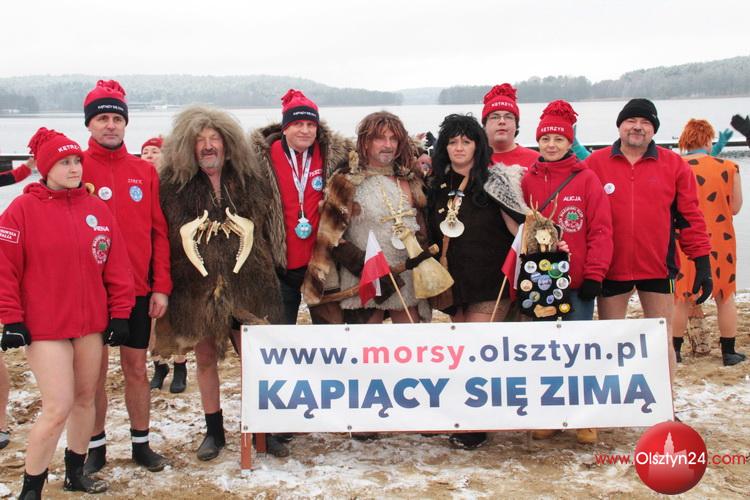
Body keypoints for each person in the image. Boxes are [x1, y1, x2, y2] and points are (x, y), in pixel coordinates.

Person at [0, 128, 135, 498]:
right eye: (64, 162)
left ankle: (76, 473)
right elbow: (5, 269)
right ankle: (32, 487)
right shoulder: (21, 211)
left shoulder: (97, 210)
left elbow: (117, 267)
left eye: (77, 161)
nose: (75, 168)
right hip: (45, 328)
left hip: (90, 325)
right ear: (46, 168)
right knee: (58, 405)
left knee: (85, 399)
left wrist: (120, 314)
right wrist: (11, 318)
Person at [155, 106, 286, 459]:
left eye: (214, 138)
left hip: (248, 285)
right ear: (188, 146)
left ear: (228, 144)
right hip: (196, 287)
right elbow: (164, 236)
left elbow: (265, 229)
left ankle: (262, 430)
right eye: (200, 140)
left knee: (255, 361)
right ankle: (214, 432)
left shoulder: (249, 180)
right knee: (205, 359)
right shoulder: (172, 187)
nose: (208, 146)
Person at [80, 80, 172, 474]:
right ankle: (95, 447)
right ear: (89, 124)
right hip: (90, 293)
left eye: (117, 119)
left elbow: (159, 233)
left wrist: (161, 287)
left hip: (136, 290)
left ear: (125, 124)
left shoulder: (143, 171)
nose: (110, 125)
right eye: (102, 118)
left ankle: (141, 444)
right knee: (93, 376)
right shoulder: (75, 168)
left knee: (136, 369)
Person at [584, 98, 712, 378]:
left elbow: (690, 216)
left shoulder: (674, 164)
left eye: (645, 122)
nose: (638, 127)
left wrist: (702, 261)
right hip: (610, 267)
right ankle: (613, 395)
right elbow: (582, 215)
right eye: (631, 121)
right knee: (610, 338)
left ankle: (666, 399)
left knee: (661, 339)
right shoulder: (595, 163)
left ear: (654, 129)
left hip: (658, 266)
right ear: (620, 126)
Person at [425, 114, 523, 449]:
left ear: (477, 146)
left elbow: (520, 227)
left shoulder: (496, 181)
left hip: (491, 281)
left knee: (477, 350)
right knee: (461, 352)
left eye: (466, 142)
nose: (459, 148)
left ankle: (476, 424)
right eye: (453, 142)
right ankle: (464, 413)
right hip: (455, 282)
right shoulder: (437, 185)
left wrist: (545, 241)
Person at [521, 100, 614, 444]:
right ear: (538, 141)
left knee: (578, 350)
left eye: (559, 139)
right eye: (545, 139)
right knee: (546, 352)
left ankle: (585, 417)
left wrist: (595, 275)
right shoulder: (528, 180)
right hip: (540, 281)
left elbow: (601, 230)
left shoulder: (586, 178)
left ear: (569, 141)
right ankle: (550, 413)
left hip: (575, 283)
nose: (551, 145)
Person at [303, 111, 432, 325]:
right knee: (367, 343)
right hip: (363, 276)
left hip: (407, 276)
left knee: (410, 340)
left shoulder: (410, 178)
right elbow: (330, 237)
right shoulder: (346, 181)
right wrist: (363, 266)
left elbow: (422, 228)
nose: (388, 145)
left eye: (393, 139)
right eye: (380, 138)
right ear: (365, 142)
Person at [250, 89, 353, 325]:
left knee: (330, 336)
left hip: (323, 265)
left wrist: (420, 156)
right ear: (285, 127)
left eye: (310, 124)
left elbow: (374, 153)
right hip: (280, 268)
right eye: (297, 124)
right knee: (279, 337)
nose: (305, 130)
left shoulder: (334, 154)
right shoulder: (260, 157)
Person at [672, 119, 744, 366]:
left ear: (685, 140)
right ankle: (729, 352)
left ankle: (675, 351)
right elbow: (735, 207)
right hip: (720, 240)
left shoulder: (675, 166)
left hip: (684, 239)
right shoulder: (729, 167)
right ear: (708, 140)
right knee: (725, 296)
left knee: (681, 296)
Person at [139, 136, 188, 393]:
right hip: (146, 257)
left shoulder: (175, 184)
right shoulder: (137, 183)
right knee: (150, 318)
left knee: (177, 315)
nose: (149, 155)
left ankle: (180, 365)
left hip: (175, 256)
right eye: (145, 151)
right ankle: (159, 364)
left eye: (154, 151)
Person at [482, 83, 539, 168]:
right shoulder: (471, 160)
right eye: (495, 117)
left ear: (516, 125)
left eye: (508, 117)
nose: (502, 121)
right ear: (484, 125)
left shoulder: (537, 161)